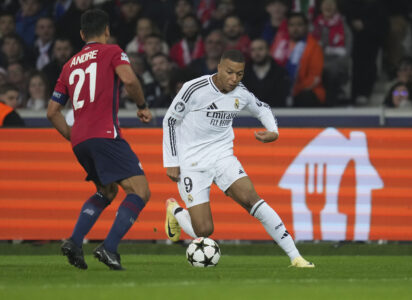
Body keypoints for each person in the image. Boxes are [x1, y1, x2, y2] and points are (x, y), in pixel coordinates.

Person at [162, 49, 314, 268]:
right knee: (204, 231)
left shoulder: (240, 92)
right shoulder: (193, 88)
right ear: (219, 68)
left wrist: (273, 131)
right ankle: (175, 211)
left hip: (223, 157)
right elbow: (169, 121)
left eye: (240, 74)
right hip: (192, 162)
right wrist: (171, 161)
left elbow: (262, 108)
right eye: (230, 72)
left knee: (253, 200)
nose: (234, 79)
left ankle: (295, 257)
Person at [47, 8, 152, 271]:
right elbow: (128, 79)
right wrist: (142, 104)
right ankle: (109, 248)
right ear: (106, 30)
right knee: (140, 191)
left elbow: (51, 111)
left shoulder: (69, 65)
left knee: (107, 190)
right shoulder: (113, 51)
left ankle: (74, 240)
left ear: (82, 34)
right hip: (104, 134)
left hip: (80, 139)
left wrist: (74, 136)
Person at [243, 38, 290, 107]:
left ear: (268, 51)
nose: (257, 53)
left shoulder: (280, 73)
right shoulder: (243, 73)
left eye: (260, 49)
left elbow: (281, 98)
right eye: (253, 50)